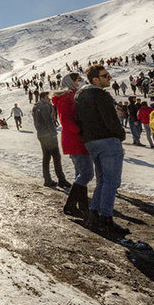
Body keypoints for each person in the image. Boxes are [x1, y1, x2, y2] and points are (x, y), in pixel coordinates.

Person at [75, 65, 128, 234]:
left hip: (91, 142)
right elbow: (110, 120)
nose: (109, 78)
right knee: (111, 181)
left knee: (102, 180)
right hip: (107, 140)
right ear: (95, 79)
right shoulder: (101, 95)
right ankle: (106, 217)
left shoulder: (80, 96)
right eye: (105, 76)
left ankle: (95, 214)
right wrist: (120, 135)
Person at [52, 73, 92, 217]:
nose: (79, 83)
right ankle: (70, 205)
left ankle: (82, 205)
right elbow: (66, 120)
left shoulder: (73, 95)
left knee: (80, 174)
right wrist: (80, 130)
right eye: (77, 80)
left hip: (78, 138)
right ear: (71, 82)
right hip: (75, 139)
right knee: (86, 173)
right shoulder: (66, 97)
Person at [32, 92, 71, 188]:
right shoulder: (45, 106)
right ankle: (61, 179)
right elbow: (48, 121)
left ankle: (47, 179)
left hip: (41, 135)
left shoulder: (36, 106)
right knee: (56, 157)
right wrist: (53, 133)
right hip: (49, 135)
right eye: (49, 97)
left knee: (46, 157)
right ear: (44, 97)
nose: (50, 99)